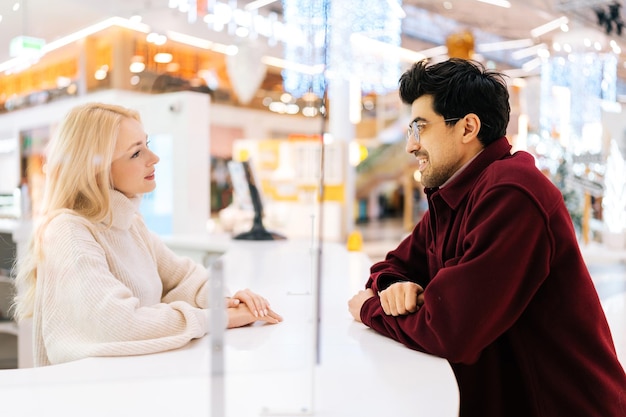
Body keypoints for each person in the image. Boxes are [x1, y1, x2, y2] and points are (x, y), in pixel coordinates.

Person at [348, 58, 626, 417]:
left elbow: (449, 329)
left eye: (420, 128)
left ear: (467, 128)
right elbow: (392, 265)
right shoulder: (454, 195)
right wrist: (393, 289)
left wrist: (369, 308)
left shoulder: (512, 193)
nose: (410, 146)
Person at [12, 102, 282, 367]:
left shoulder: (129, 222)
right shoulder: (67, 231)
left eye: (147, 145)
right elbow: (117, 324)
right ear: (96, 168)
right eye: (135, 153)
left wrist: (227, 301)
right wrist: (220, 318)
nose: (154, 159)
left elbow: (184, 278)